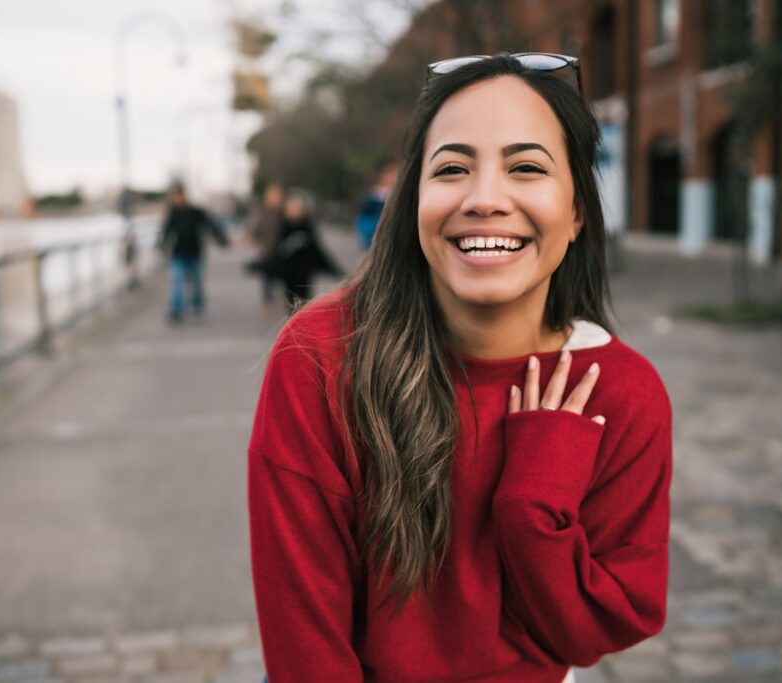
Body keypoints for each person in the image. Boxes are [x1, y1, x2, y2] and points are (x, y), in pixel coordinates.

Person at [248, 53, 672, 683]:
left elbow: (599, 631)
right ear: (413, 200)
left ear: (579, 211)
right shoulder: (321, 357)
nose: (485, 199)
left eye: (526, 167)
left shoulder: (623, 393)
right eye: (452, 169)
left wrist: (534, 503)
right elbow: (304, 644)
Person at [158, 181, 229, 322]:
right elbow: (166, 232)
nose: (177, 199)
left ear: (183, 195)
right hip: (178, 253)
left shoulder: (196, 212)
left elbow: (210, 226)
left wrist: (222, 240)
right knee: (177, 281)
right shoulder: (173, 214)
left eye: (178, 195)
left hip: (195, 253)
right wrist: (161, 246)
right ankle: (177, 310)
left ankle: (197, 305)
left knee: (197, 281)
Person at [269, 190, 343, 311]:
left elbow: (317, 249)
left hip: (305, 275)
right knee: (291, 306)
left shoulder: (307, 226)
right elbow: (277, 251)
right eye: (291, 207)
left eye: (296, 207)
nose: (294, 209)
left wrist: (335, 270)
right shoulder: (283, 226)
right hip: (288, 276)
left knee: (304, 306)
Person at [243, 182, 285, 311]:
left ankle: (285, 300)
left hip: (283, 250)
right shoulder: (264, 211)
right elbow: (255, 229)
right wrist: (256, 240)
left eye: (277, 195)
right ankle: (268, 303)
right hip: (267, 249)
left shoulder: (284, 211)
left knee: (283, 276)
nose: (275, 198)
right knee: (267, 278)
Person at [355, 160, 398, 251]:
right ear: (380, 174)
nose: (393, 176)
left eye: (395, 172)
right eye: (389, 172)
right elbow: (363, 227)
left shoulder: (399, 197)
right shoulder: (372, 200)